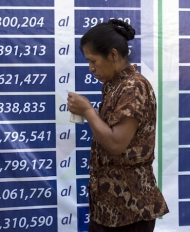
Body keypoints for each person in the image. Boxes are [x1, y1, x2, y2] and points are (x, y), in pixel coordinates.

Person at [67, 19, 169, 231]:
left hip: (130, 210)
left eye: (93, 61)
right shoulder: (116, 86)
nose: (91, 68)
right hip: (108, 207)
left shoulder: (133, 87)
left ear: (112, 55)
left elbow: (116, 144)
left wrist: (87, 110)